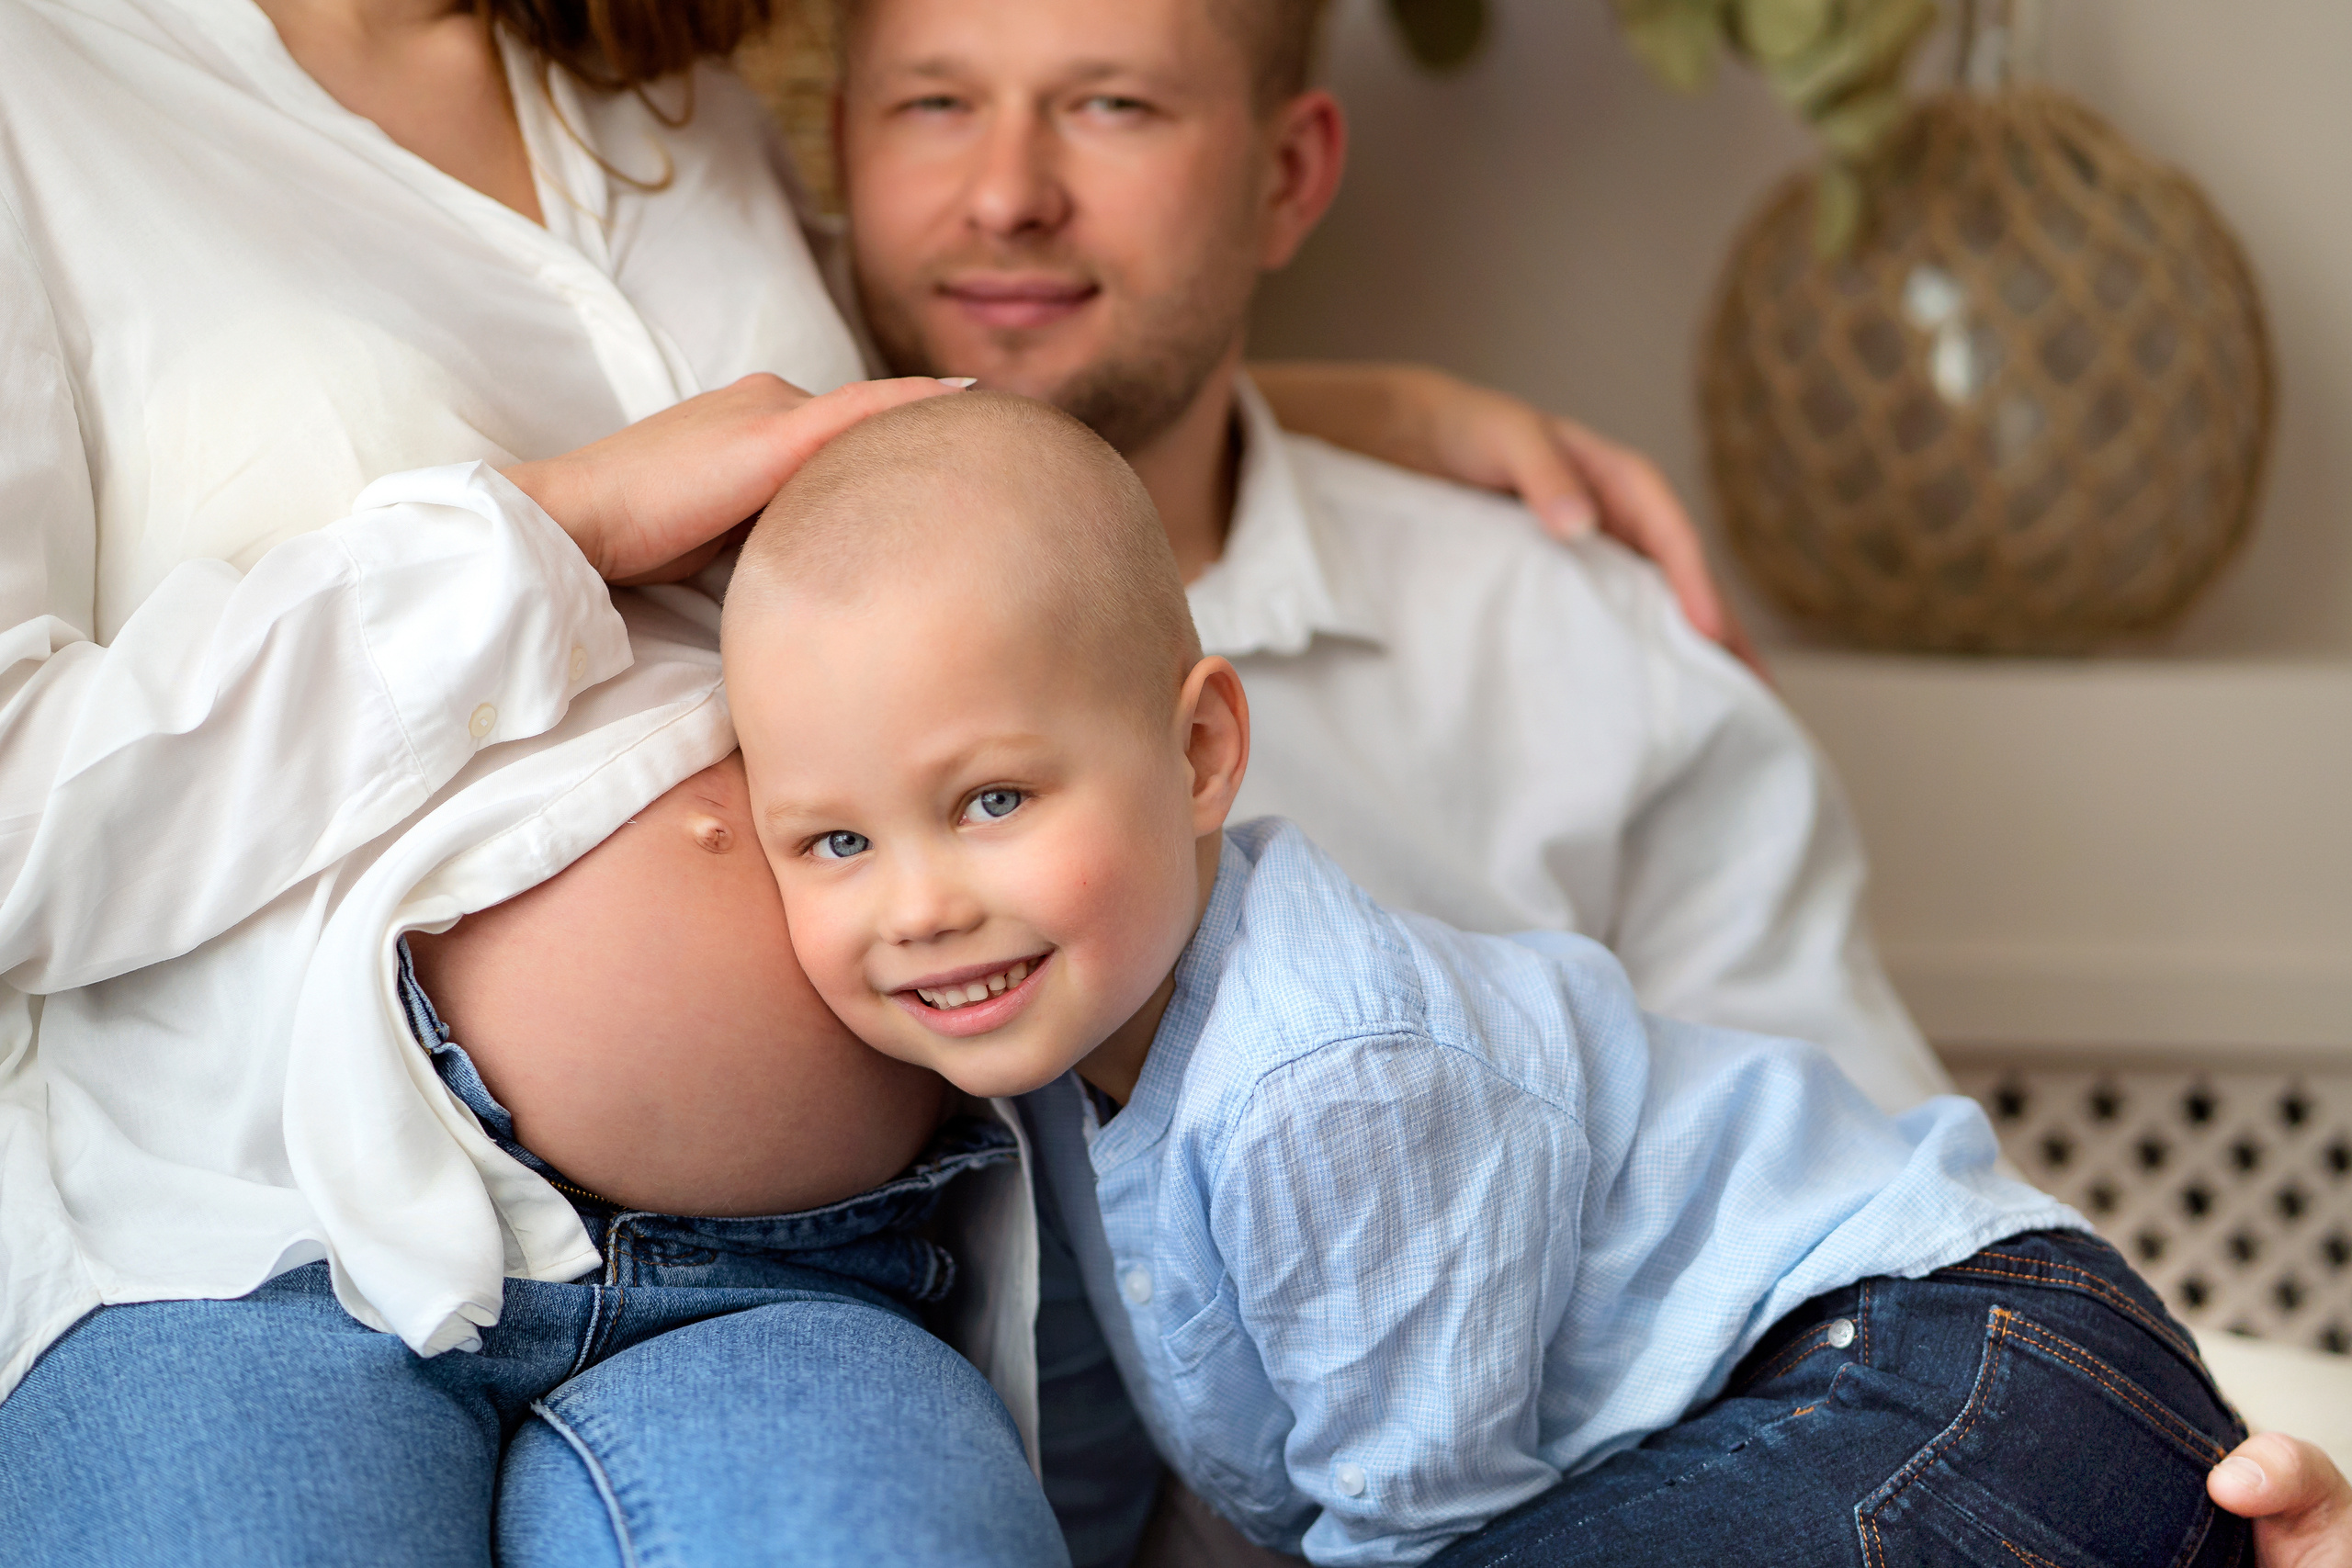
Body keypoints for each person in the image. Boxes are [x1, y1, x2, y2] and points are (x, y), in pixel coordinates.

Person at [0, 1, 1659, 1561]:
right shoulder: (46, 87)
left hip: (815, 1260)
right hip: (246, 1237)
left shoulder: (675, 95)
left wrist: (1348, 407)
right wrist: (560, 529)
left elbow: (887, 466)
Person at [717, 387, 2246, 1568]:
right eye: (836, 840)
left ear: (1200, 755)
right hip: (1827, 1423)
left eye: (993, 801)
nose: (921, 905)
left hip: (1955, 1381)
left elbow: (1427, 1528)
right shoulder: (1054, 1059)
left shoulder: (1323, 1074)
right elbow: (1126, 1467)